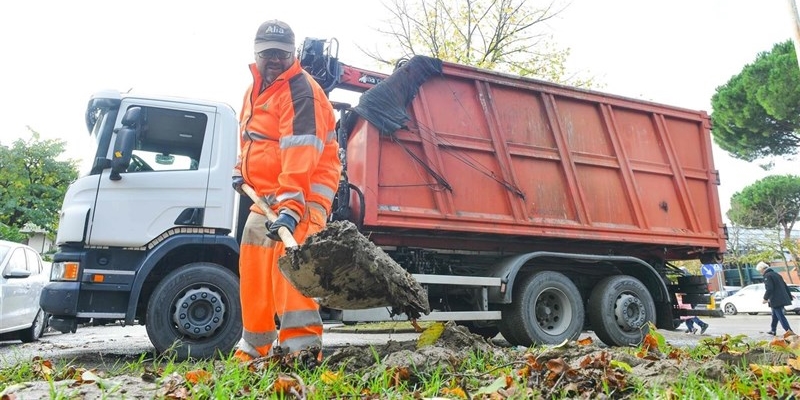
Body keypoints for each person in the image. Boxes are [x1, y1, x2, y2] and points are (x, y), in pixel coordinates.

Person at [231, 19, 342, 362]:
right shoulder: (254, 90)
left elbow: (300, 154)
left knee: (292, 271)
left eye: (282, 53)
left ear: (293, 53)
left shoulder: (300, 91)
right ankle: (255, 348)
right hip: (266, 197)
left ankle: (301, 352)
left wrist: (291, 211)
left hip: (303, 197)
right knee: (253, 266)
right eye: (268, 53)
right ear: (256, 54)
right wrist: (240, 171)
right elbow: (252, 140)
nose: (275, 60)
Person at [757, 261, 795, 337]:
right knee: (774, 315)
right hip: (781, 298)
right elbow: (784, 285)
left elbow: (769, 288)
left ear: (762, 269)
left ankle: (789, 331)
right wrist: (789, 295)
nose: (760, 273)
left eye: (760, 271)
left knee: (780, 316)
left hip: (775, 299)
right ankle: (773, 330)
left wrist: (765, 298)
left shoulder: (767, 276)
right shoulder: (776, 274)